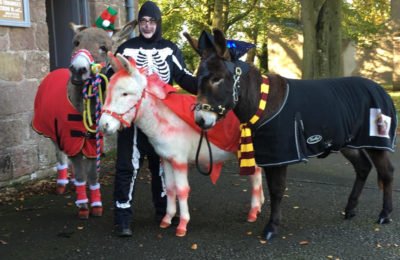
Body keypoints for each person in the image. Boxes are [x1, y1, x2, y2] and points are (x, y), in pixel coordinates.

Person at [108, 1, 197, 237]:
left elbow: (184, 77)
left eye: (152, 21)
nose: (147, 26)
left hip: (161, 121)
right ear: (139, 24)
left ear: (158, 23)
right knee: (127, 167)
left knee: (161, 167)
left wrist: (210, 85)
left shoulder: (169, 49)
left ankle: (163, 211)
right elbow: (113, 76)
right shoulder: (126, 48)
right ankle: (123, 217)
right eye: (143, 22)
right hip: (132, 120)